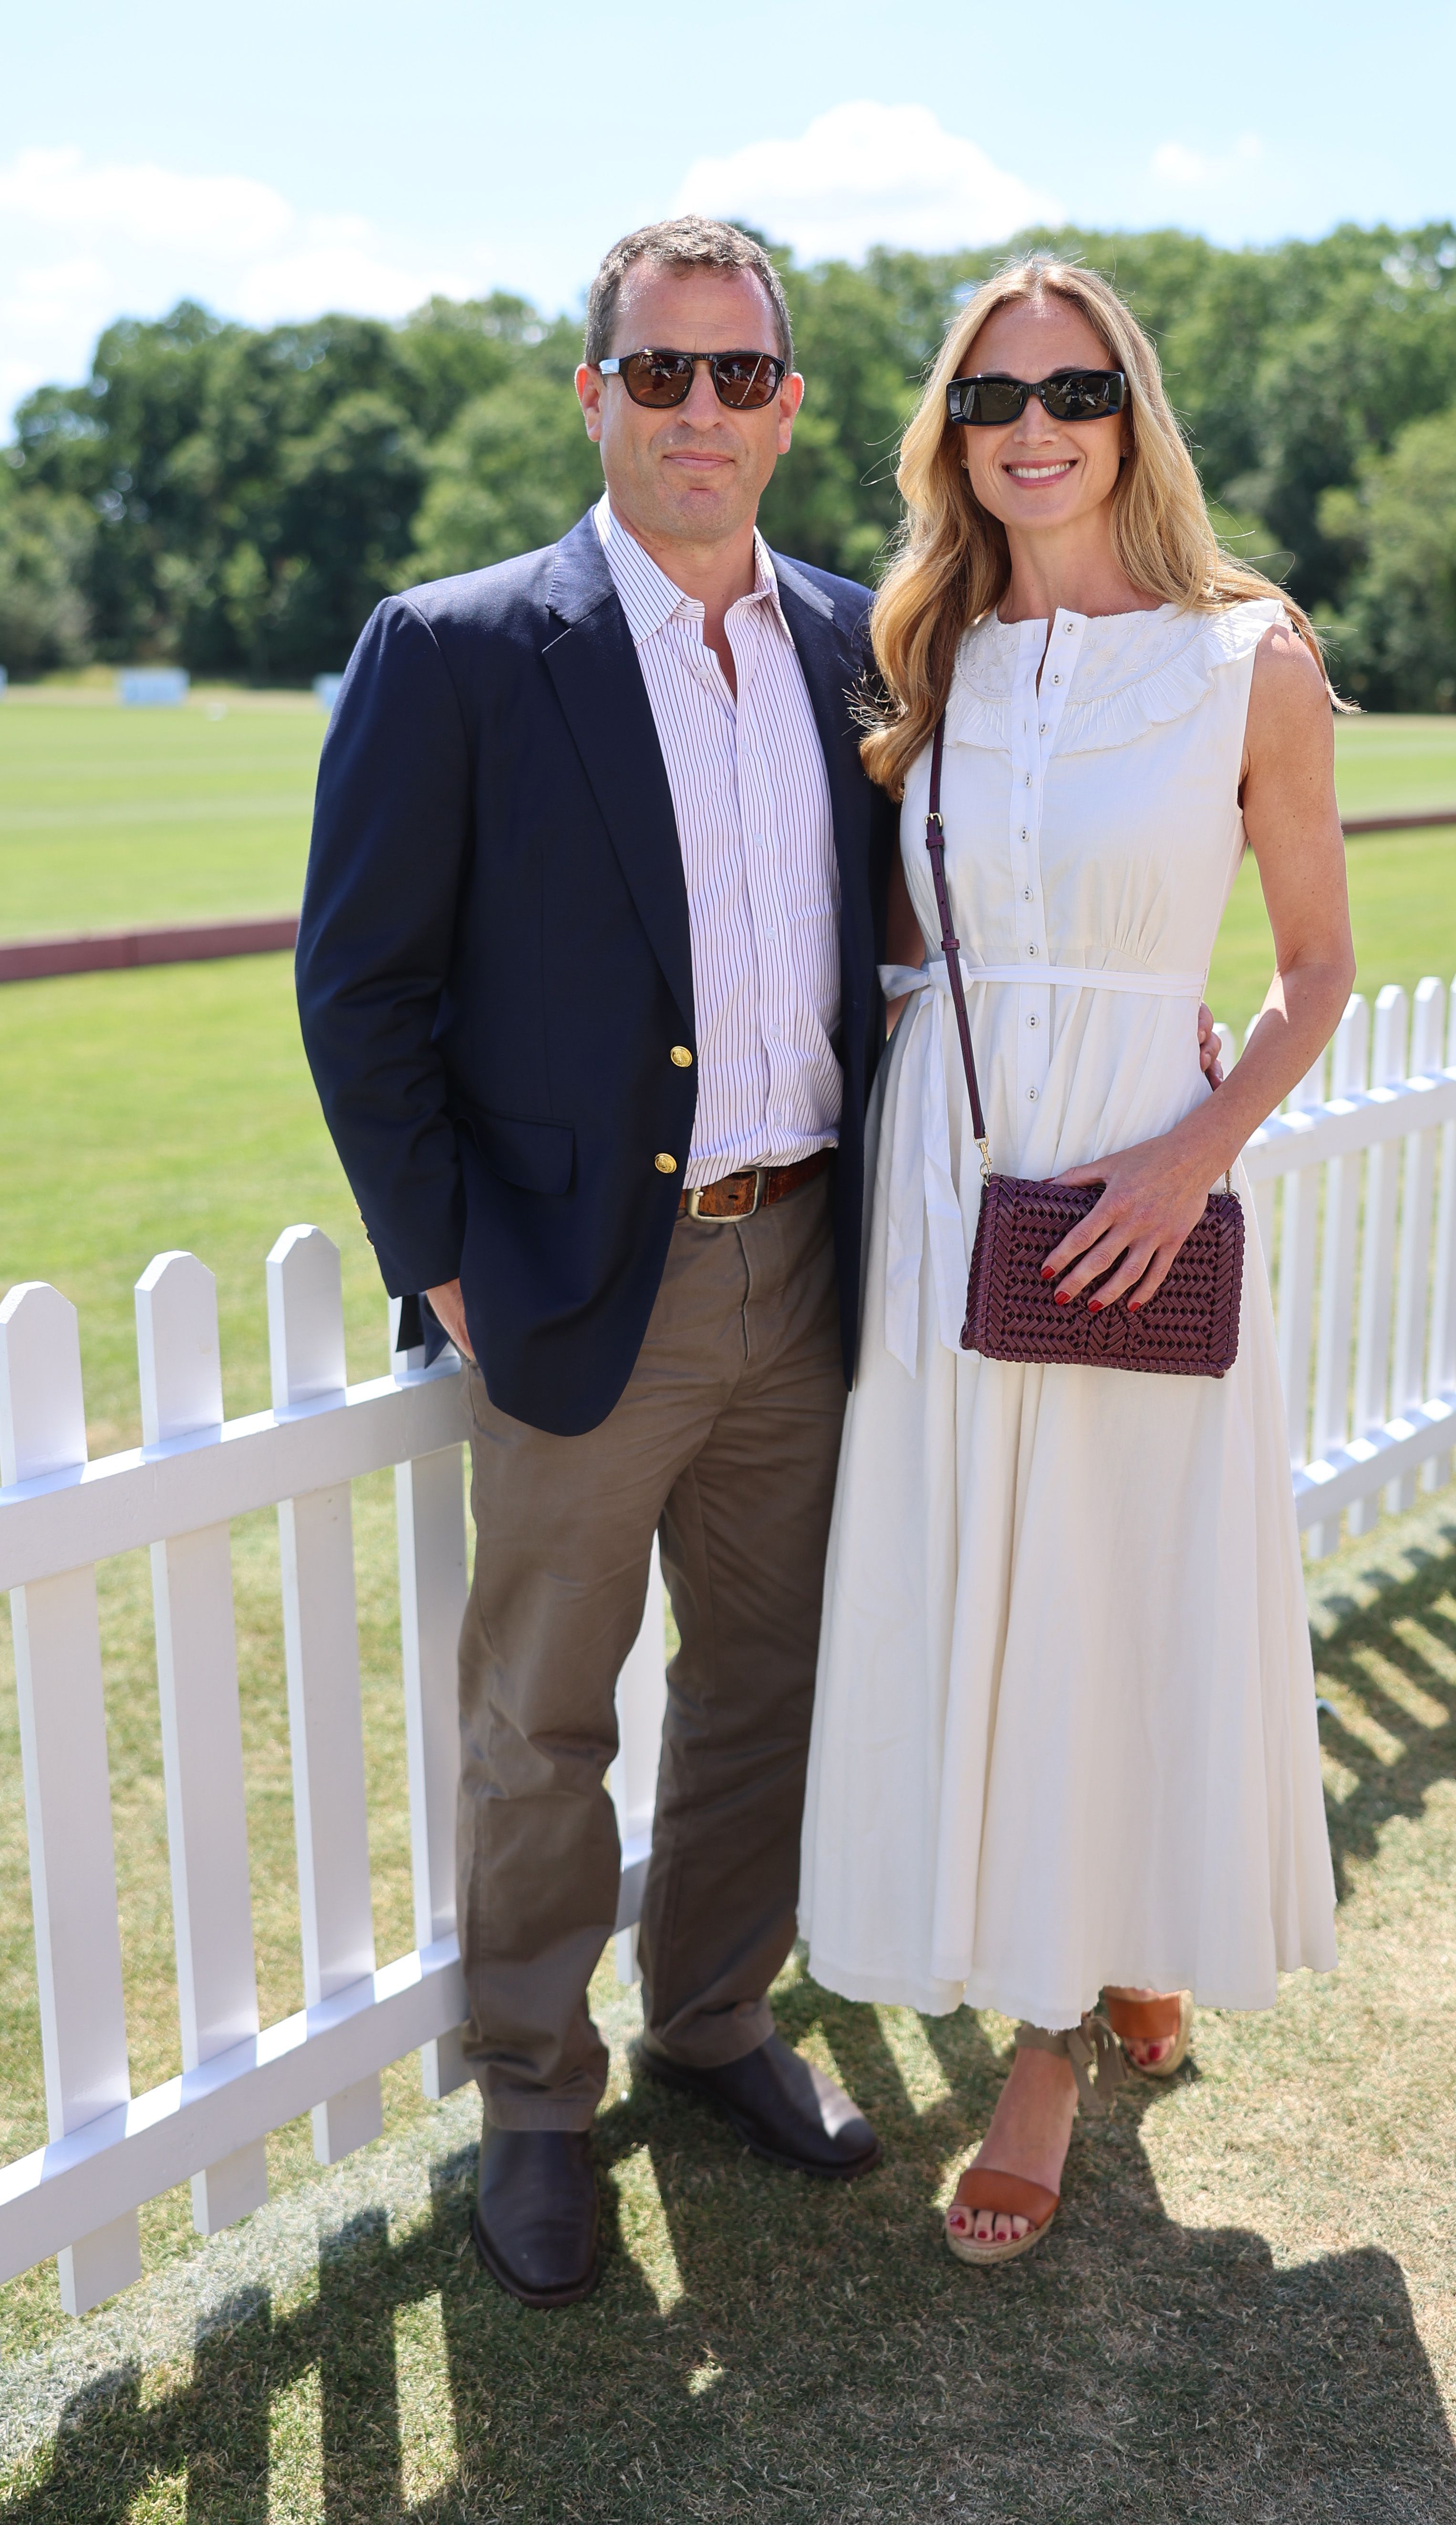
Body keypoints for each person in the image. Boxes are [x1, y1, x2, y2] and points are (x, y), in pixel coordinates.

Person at [296, 218, 905, 2309]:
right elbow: (360, 989)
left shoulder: (852, 641)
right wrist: (447, 1260)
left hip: (805, 1256)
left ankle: (714, 2020)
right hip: (573, 1282)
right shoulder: (457, 648)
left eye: (742, 377)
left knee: (766, 1685)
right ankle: (535, 2103)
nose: (703, 415)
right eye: (663, 376)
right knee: (544, 1724)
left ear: (791, 406)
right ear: (596, 396)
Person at [799, 257, 1352, 2265]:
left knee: (1110, 1587)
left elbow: (1314, 971)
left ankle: (1051, 2046)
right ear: (953, 433)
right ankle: (1100, 1955)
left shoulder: (1245, 657)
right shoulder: (925, 646)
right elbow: (902, 945)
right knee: (983, 1587)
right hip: (949, 1184)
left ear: (1132, 415)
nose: (1033, 426)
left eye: (1075, 388)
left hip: (1133, 1188)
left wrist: (1190, 1154)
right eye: (990, 397)